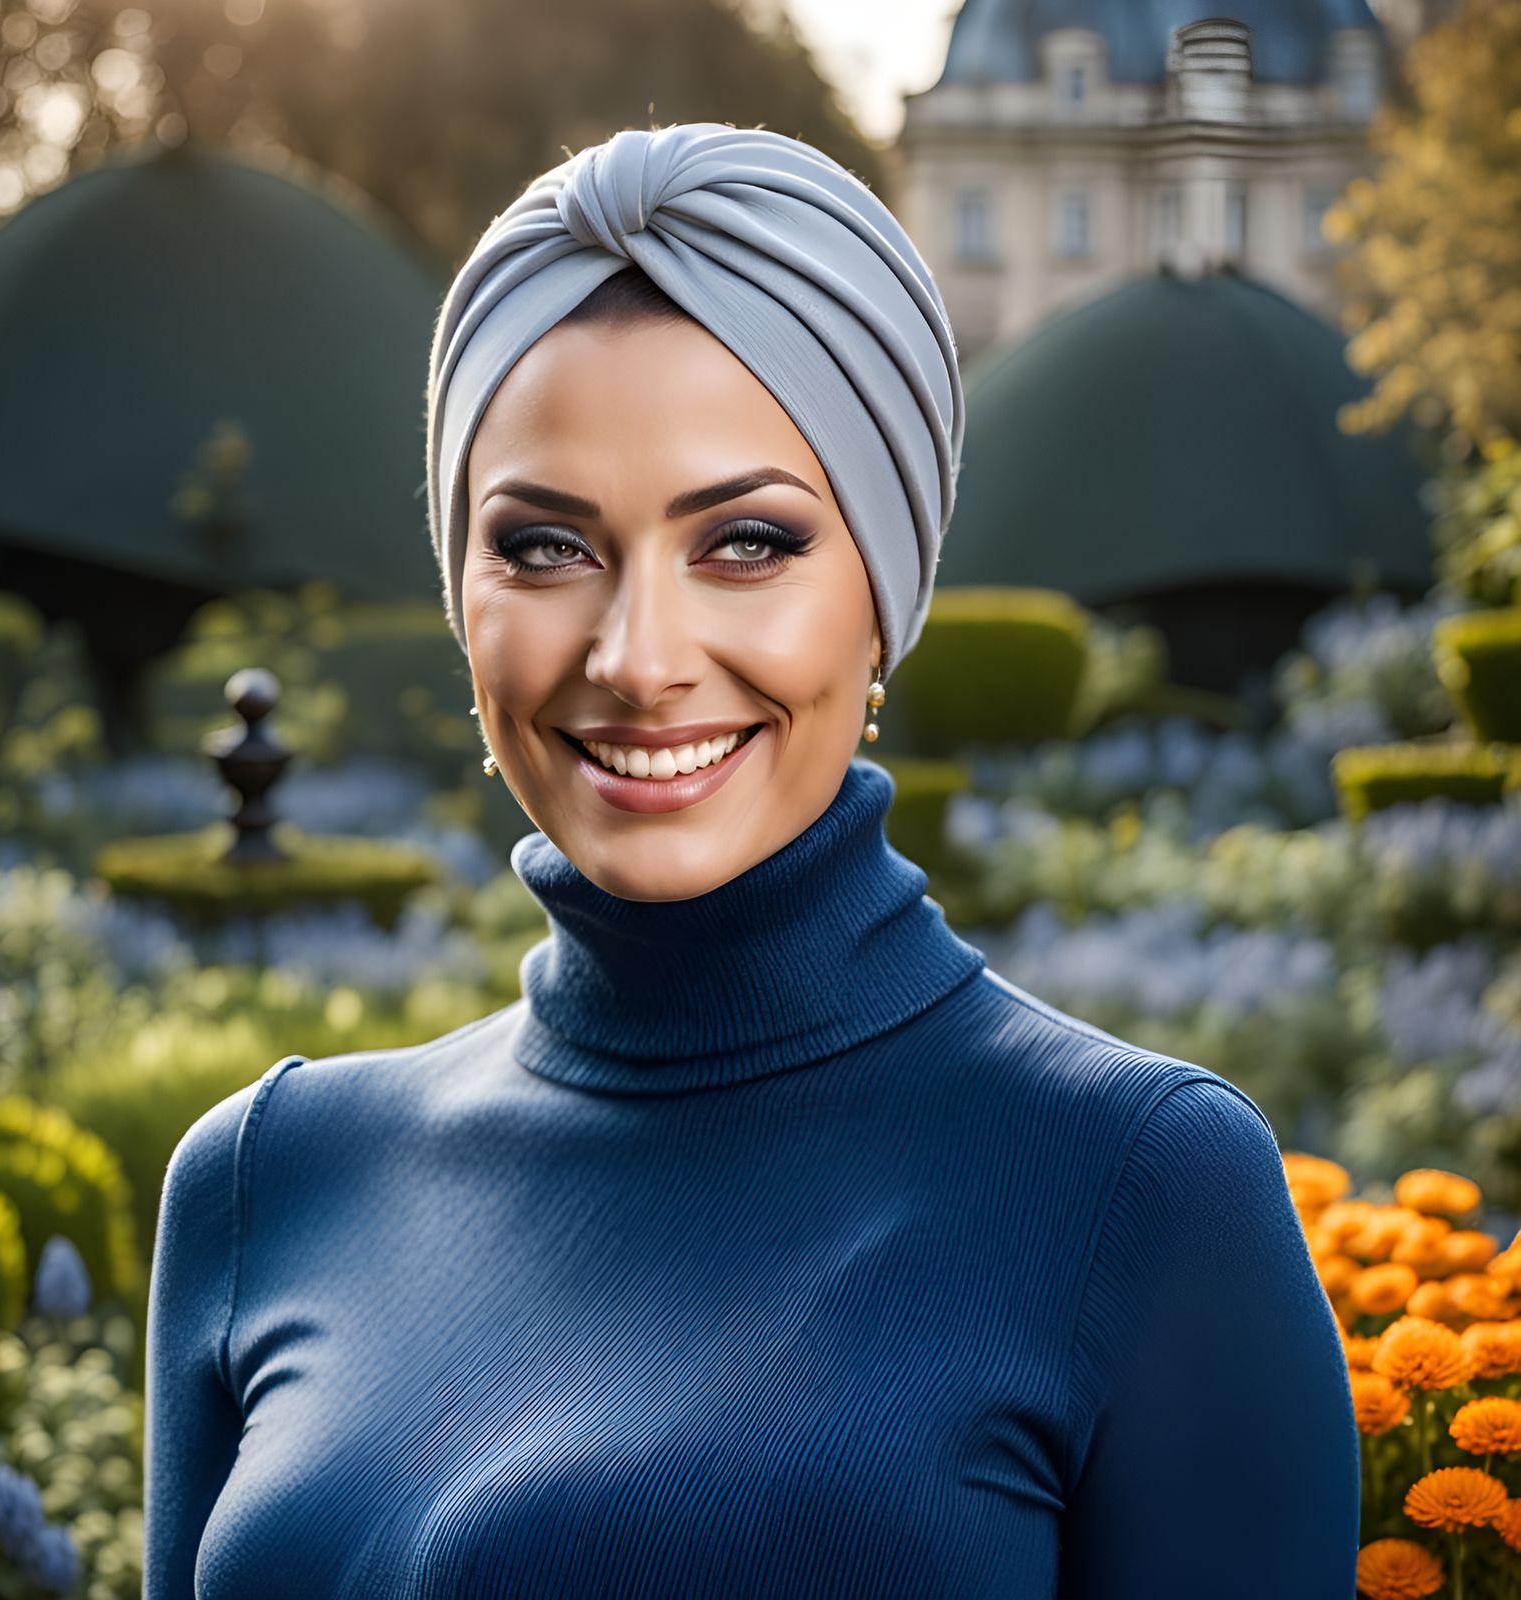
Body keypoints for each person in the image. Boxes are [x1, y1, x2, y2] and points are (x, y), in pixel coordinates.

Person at [143, 122, 1361, 1598]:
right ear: (458, 583)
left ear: (885, 598)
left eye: (746, 542)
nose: (639, 659)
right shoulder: (265, 1181)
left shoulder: (1144, 1190)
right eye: (542, 547)